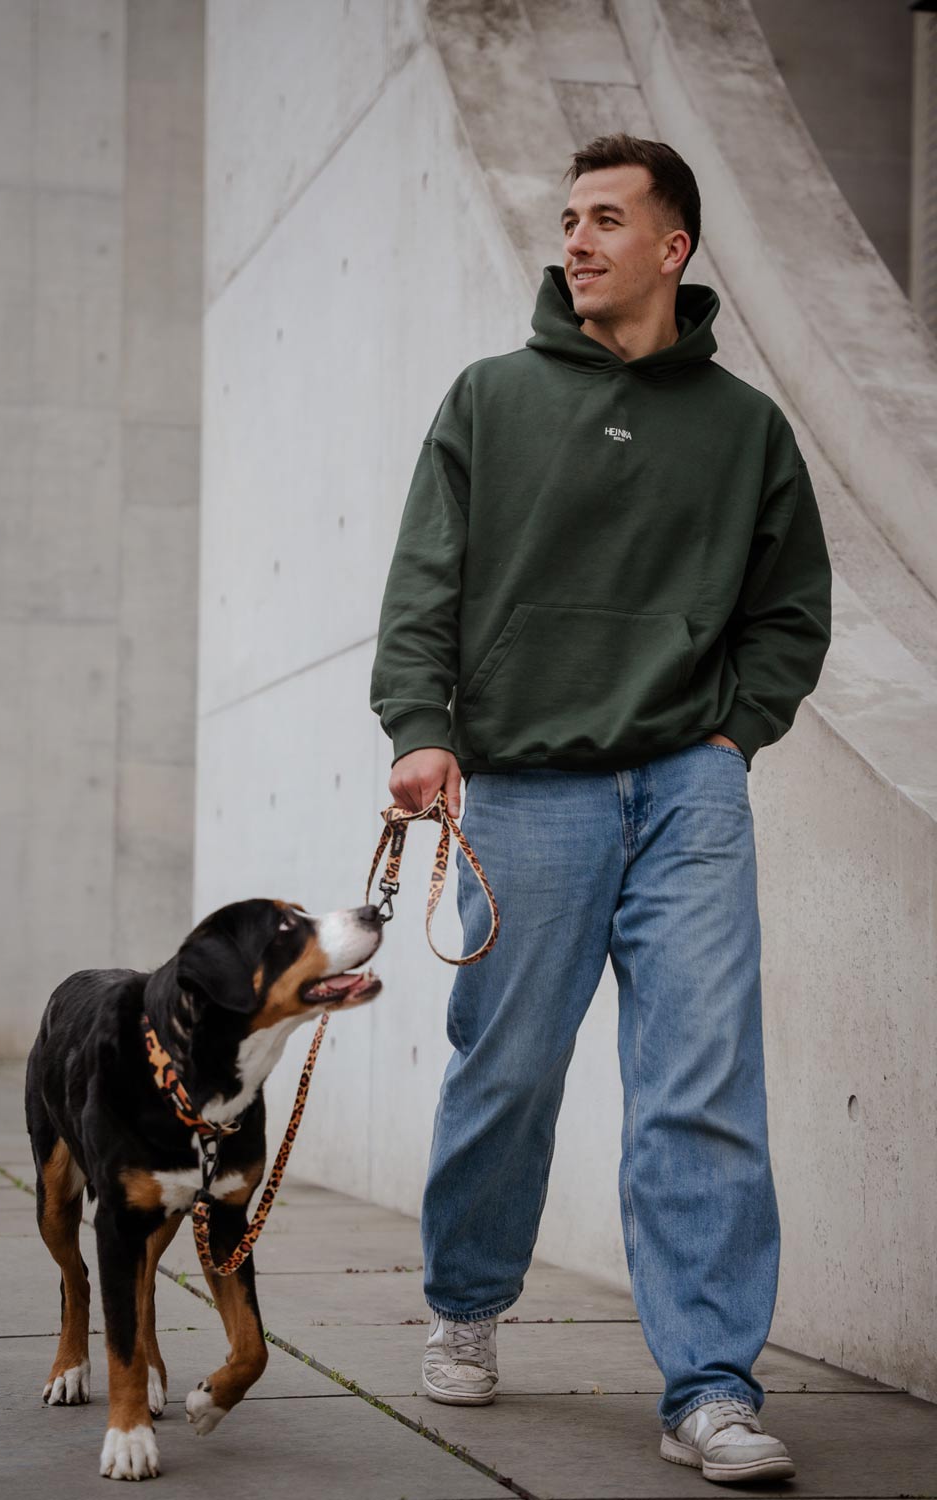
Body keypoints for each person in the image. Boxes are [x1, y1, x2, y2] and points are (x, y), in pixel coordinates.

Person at [369, 133, 831, 1486]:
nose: (574, 238)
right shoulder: (490, 400)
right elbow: (424, 589)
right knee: (505, 1072)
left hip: (689, 789)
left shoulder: (746, 430)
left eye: (605, 218)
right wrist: (420, 729)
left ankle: (710, 1387)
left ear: (671, 249)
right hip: (527, 792)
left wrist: (733, 732)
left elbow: (790, 609)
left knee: (699, 1088)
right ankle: (466, 1302)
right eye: (568, 217)